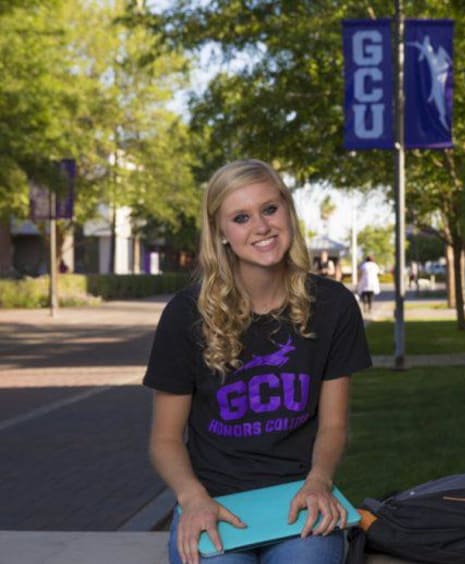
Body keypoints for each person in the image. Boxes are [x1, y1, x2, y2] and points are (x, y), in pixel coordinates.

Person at [143, 159, 371, 564]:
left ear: (287, 210)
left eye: (270, 209)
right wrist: (193, 498)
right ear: (221, 234)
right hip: (214, 502)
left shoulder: (333, 305)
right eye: (241, 217)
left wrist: (319, 482)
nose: (261, 227)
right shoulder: (185, 315)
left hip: (300, 497)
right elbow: (164, 440)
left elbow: (334, 425)